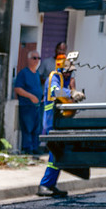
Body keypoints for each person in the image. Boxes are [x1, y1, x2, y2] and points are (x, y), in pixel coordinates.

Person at [37, 54, 75, 197]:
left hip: (58, 122)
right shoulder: (54, 77)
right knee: (55, 155)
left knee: (58, 155)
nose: (69, 73)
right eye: (68, 71)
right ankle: (45, 184)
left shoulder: (63, 80)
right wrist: (71, 93)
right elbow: (55, 91)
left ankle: (50, 184)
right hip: (51, 123)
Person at [13, 50, 43, 155]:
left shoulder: (37, 73)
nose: (37, 60)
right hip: (27, 106)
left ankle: (35, 147)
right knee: (27, 128)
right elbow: (18, 89)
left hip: (37, 106)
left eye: (38, 58)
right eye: (34, 58)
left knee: (37, 128)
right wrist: (31, 96)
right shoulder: (24, 73)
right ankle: (28, 149)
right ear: (29, 59)